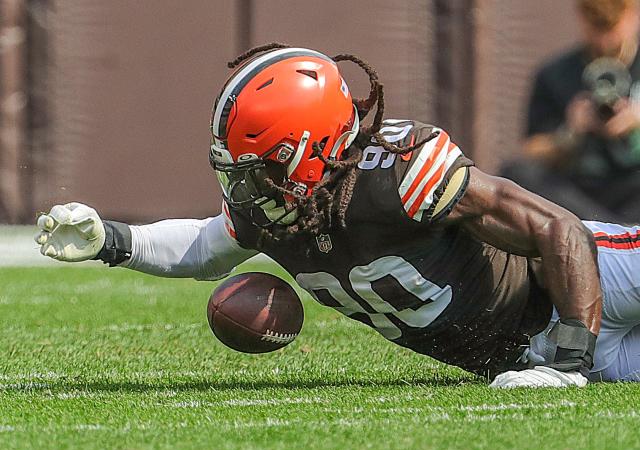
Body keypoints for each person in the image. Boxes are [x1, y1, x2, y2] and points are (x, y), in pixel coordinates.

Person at [35, 44, 640, 388]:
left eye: (263, 163)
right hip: (526, 354)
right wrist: (109, 239)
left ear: (315, 146)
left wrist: (569, 363)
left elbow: (557, 229)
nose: (246, 182)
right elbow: (203, 248)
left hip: (590, 288)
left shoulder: (398, 172)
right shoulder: (282, 210)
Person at [505, 0, 640, 223]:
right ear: (581, 18)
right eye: (597, 27)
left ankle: (604, 235)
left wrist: (635, 119)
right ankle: (612, 235)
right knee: (518, 174)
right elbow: (531, 151)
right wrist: (571, 131)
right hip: (578, 190)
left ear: (634, 15)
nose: (606, 41)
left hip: (633, 185)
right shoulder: (554, 73)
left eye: (612, 27)